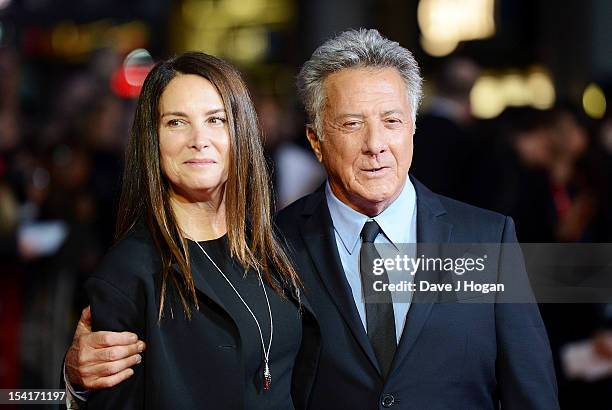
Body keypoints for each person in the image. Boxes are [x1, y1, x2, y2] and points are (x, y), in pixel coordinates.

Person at [64, 30, 559, 409]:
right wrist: (72, 383)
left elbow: (530, 393)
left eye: (391, 120)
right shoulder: (268, 248)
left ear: (412, 128)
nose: (375, 145)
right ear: (316, 140)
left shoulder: (486, 239)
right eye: (351, 124)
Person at [63, 51, 320, 409]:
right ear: (152, 140)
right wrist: (74, 385)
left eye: (216, 120)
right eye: (176, 123)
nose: (199, 140)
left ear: (240, 132)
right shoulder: (131, 273)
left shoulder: (272, 247)